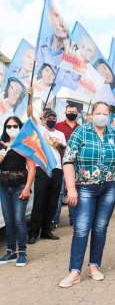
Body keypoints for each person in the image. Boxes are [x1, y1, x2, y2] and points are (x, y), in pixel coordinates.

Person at [58, 102, 115, 288]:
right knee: (81, 228)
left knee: (101, 227)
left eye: (105, 113)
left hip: (109, 187)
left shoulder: (114, 134)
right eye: (98, 112)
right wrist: (71, 188)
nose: (101, 115)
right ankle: (75, 271)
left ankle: (94, 266)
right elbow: (68, 160)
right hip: (85, 187)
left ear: (109, 115)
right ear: (91, 114)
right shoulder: (81, 132)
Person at [0, 117, 36, 266]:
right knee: (8, 221)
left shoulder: (25, 144)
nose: (12, 128)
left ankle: (22, 252)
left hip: (20, 186)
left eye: (15, 126)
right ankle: (10, 252)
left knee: (19, 220)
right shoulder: (1, 144)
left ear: (20, 127)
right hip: (3, 187)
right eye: (9, 126)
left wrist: (27, 188)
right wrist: (6, 149)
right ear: (5, 127)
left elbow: (32, 167)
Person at [28, 108, 66, 244]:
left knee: (52, 202)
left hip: (57, 170)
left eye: (54, 117)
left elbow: (64, 153)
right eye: (48, 117)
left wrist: (58, 146)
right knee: (39, 202)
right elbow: (29, 114)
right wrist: (30, 97)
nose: (51, 119)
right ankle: (33, 232)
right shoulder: (39, 130)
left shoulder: (60, 134)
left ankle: (46, 230)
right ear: (43, 119)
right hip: (42, 169)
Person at [52, 104, 80, 229]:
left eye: (74, 112)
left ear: (77, 113)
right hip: (60, 163)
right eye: (69, 111)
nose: (71, 113)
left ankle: (74, 219)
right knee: (59, 192)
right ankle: (54, 220)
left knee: (73, 192)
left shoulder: (81, 128)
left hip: (76, 165)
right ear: (65, 112)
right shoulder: (57, 126)